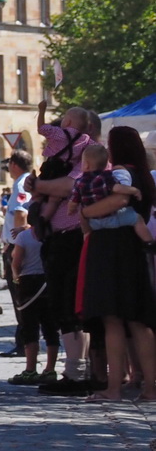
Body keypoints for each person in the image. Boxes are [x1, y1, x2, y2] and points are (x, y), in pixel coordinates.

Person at [76, 126, 156, 402]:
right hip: (133, 248)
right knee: (138, 320)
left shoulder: (119, 172)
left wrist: (85, 211)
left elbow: (118, 200)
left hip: (110, 248)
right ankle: (150, 387)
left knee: (113, 320)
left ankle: (113, 387)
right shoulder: (144, 174)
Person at [31, 104, 93, 395]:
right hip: (60, 237)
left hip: (71, 238)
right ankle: (77, 370)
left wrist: (41, 185)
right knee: (66, 306)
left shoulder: (89, 155)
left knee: (69, 306)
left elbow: (70, 186)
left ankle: (76, 373)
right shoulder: (79, 149)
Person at [7, 210, 59, 386]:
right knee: (50, 327)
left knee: (30, 326)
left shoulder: (24, 237)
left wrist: (15, 278)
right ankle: (50, 368)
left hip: (29, 283)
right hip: (50, 281)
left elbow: (16, 263)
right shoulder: (52, 234)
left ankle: (30, 369)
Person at [71, 142, 155, 246]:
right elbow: (117, 189)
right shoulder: (107, 177)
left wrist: (72, 209)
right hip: (111, 218)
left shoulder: (79, 182)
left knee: (87, 232)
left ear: (86, 165)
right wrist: (134, 190)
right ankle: (149, 243)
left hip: (93, 222)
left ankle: (87, 244)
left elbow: (74, 201)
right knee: (137, 219)